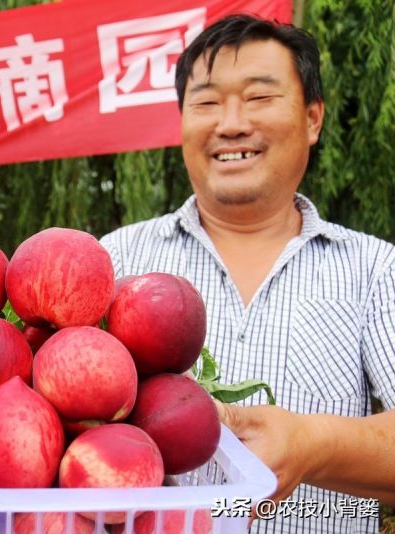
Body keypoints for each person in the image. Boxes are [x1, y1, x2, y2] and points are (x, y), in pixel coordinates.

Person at [100, 14, 395, 534]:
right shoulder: (115, 260)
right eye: (207, 102)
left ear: (312, 118)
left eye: (259, 98)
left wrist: (314, 444)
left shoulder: (374, 270)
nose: (231, 123)